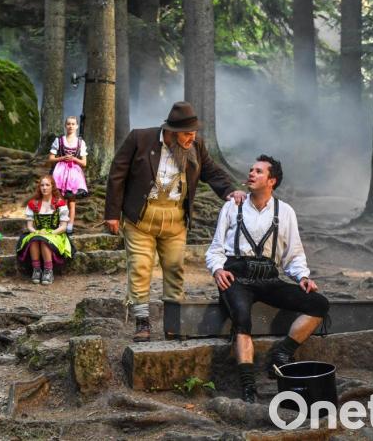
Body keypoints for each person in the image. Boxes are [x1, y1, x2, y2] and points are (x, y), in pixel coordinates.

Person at [105, 101, 245, 342]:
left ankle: (174, 323)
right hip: (140, 218)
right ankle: (142, 321)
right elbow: (117, 174)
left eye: (194, 133)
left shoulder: (195, 146)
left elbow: (211, 171)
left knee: (174, 269)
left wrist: (229, 190)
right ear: (172, 131)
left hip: (176, 221)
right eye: (188, 133)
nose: (192, 138)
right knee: (140, 267)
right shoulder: (140, 139)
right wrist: (111, 213)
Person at [206, 155, 329, 404]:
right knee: (242, 318)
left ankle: (281, 354)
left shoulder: (285, 211)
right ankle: (248, 386)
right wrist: (218, 270)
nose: (251, 173)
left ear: (271, 181)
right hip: (237, 278)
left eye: (259, 171)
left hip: (269, 279)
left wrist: (303, 276)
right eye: (251, 170)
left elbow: (293, 253)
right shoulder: (232, 206)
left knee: (319, 304)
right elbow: (216, 248)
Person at [16, 176, 74, 285]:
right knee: (35, 239)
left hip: (56, 234)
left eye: (47, 185)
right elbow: (30, 226)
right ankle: (37, 269)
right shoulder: (33, 204)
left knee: (43, 240)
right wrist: (36, 232)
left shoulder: (60, 203)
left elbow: (63, 227)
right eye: (42, 185)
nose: (44, 187)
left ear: (52, 187)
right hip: (38, 233)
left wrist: (50, 233)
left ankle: (48, 270)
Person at [48, 116, 88, 234]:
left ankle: (70, 224)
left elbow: (84, 163)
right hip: (60, 173)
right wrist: (62, 158)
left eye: (73, 124)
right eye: (68, 124)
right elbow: (50, 158)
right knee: (59, 200)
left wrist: (74, 159)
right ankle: (60, 223)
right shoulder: (59, 141)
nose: (71, 126)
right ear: (65, 126)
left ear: (77, 126)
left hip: (73, 175)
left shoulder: (80, 142)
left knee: (71, 201)